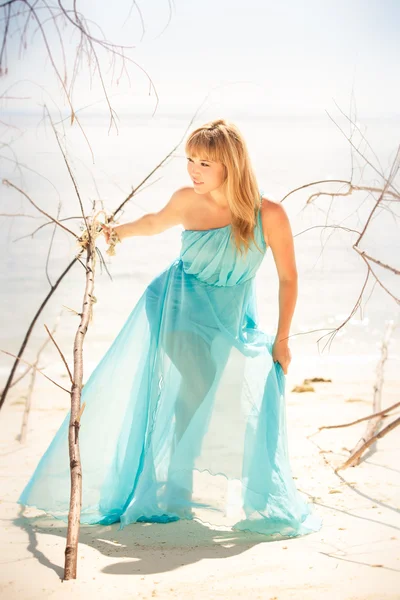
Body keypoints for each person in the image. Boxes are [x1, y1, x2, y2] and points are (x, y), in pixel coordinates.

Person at [18, 119, 321, 538]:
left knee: (234, 388)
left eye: (205, 162)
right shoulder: (186, 200)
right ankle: (175, 492)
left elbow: (289, 278)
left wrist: (283, 339)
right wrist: (110, 232)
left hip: (227, 318)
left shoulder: (269, 214)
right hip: (175, 306)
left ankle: (195, 489)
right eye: (190, 160)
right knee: (193, 395)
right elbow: (152, 222)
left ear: (230, 165)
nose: (193, 170)